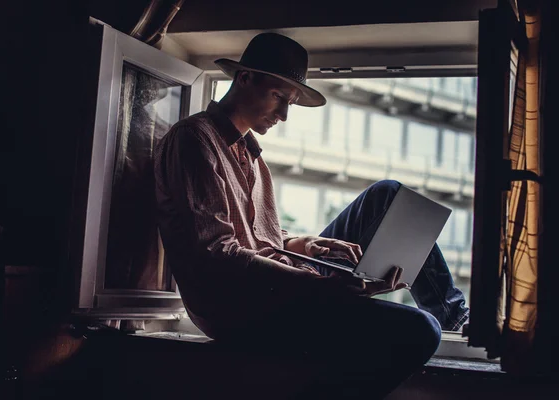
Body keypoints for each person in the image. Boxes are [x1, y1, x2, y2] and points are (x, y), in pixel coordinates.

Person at [154, 32, 469, 399]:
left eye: (289, 103)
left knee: (387, 195)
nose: (285, 115)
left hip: (277, 289)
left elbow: (255, 238)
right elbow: (218, 253)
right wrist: (317, 285)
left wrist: (303, 244)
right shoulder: (194, 140)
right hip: (242, 310)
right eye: (278, 97)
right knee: (421, 330)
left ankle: (456, 319)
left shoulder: (251, 157)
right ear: (244, 78)